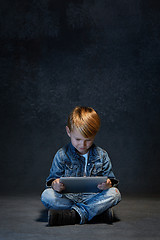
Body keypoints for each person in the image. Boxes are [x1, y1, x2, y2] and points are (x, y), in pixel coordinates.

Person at [41, 106, 121, 226]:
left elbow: (111, 180)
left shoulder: (102, 155)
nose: (82, 144)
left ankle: (73, 215)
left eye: (88, 140)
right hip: (69, 197)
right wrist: (55, 184)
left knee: (115, 193)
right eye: (77, 139)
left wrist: (108, 184)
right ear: (69, 132)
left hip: (93, 196)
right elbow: (52, 180)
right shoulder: (62, 154)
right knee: (47, 195)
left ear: (94, 134)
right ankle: (95, 212)